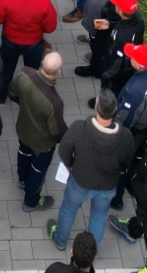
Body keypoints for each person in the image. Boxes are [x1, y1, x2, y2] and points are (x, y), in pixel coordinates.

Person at [51, 91, 136, 248]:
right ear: (116, 108)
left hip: (79, 181)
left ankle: (60, 239)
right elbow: (127, 160)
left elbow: (63, 150)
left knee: (68, 209)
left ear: (96, 107)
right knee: (98, 217)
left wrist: (70, 164)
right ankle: (91, 251)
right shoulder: (126, 136)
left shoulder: (79, 128)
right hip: (107, 185)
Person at [12, 46, 65, 209]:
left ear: (42, 63)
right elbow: (56, 130)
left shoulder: (24, 74)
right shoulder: (54, 102)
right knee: (38, 169)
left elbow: (12, 93)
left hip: (23, 128)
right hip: (42, 142)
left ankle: (22, 179)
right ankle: (30, 201)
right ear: (58, 72)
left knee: (23, 152)